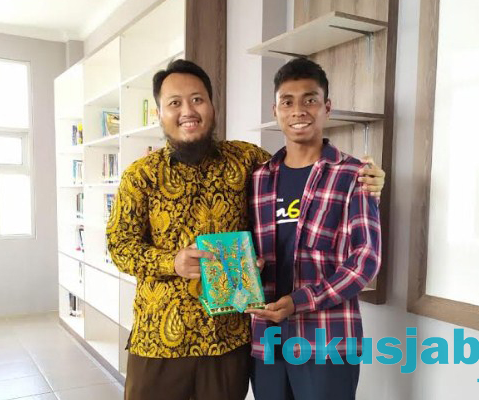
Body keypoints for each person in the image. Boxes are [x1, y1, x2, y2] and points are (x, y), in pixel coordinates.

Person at [106, 59, 385, 400]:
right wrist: (171, 262)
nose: (188, 111)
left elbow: (306, 166)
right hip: (161, 340)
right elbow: (119, 246)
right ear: (159, 113)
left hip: (230, 342)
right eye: (174, 103)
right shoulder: (140, 175)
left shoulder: (247, 162)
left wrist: (373, 183)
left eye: (197, 99)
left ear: (212, 106)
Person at [245, 57, 382, 400]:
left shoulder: (354, 175)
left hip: (327, 340)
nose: (298, 111)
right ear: (275, 111)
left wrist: (299, 301)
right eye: (287, 102)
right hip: (268, 339)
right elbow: (249, 248)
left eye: (310, 100)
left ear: (327, 108)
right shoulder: (259, 178)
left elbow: (365, 261)